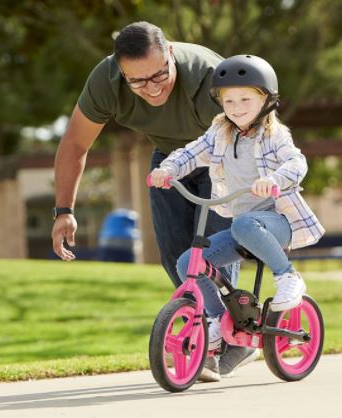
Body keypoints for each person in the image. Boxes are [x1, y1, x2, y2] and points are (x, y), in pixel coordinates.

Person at [149, 54, 325, 381]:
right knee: (189, 262)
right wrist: (167, 169)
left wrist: (275, 181)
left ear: (266, 100)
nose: (236, 106)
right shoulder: (220, 131)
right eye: (229, 100)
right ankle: (216, 320)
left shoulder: (274, 135)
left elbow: (296, 162)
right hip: (243, 228)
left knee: (245, 224)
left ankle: (287, 277)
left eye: (246, 98)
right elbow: (192, 152)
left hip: (278, 223)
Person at [51, 21, 234, 286]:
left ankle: (225, 323)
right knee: (177, 260)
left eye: (159, 75)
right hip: (169, 160)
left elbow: (256, 139)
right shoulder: (107, 82)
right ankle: (197, 323)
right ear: (121, 71)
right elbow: (75, 144)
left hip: (223, 159)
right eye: (136, 81)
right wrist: (64, 211)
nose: (152, 88)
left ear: (170, 53)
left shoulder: (212, 80)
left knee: (212, 258)